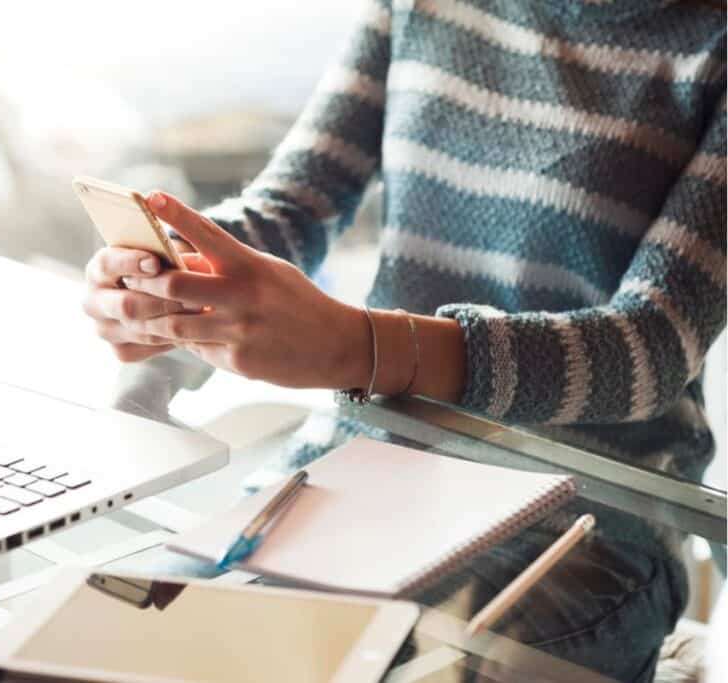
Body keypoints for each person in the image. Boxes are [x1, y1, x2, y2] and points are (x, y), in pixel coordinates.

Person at [82, 0, 725, 680]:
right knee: (121, 652)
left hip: (591, 510)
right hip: (364, 471)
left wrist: (362, 347)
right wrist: (169, 271)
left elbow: (649, 346)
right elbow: (293, 205)